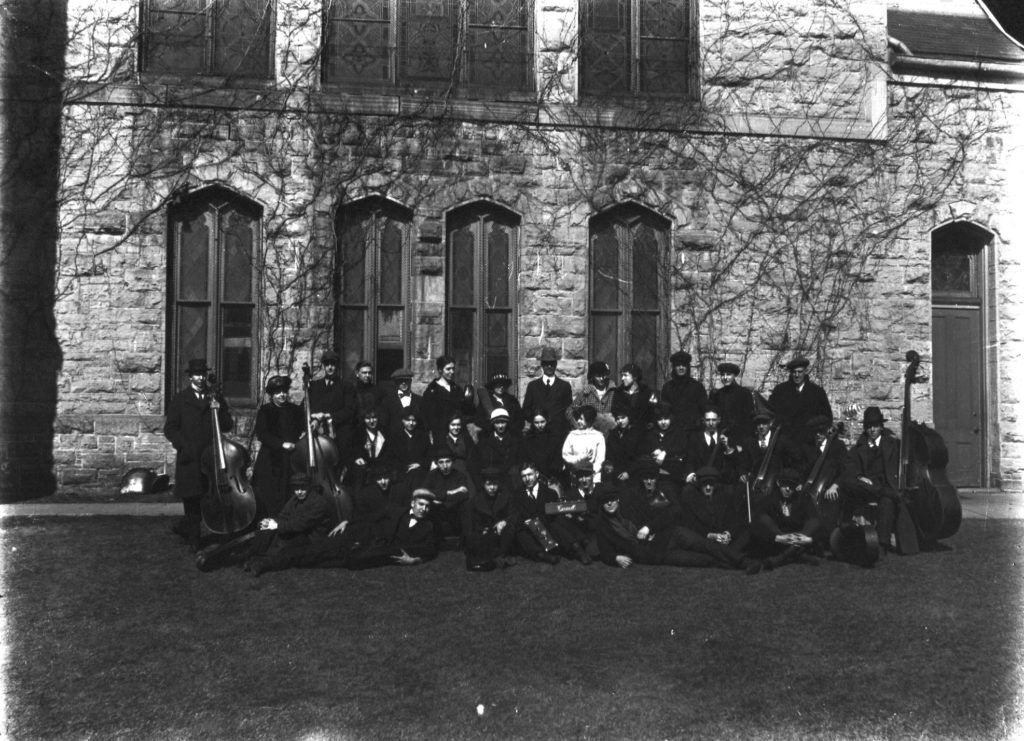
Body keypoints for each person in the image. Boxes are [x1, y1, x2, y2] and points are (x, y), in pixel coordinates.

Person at [593, 482, 759, 571]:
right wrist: (616, 558)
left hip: (670, 534)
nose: (610, 503)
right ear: (601, 505)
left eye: (612, 499)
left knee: (706, 545)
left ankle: (745, 562)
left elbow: (668, 513)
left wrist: (649, 527)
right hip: (657, 554)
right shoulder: (604, 526)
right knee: (700, 560)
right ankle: (734, 567)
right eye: (606, 501)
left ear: (618, 500)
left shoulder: (629, 509)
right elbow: (605, 550)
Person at [164, 358, 234, 550]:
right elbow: (170, 428)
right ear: (190, 377)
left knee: (207, 497)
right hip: (190, 457)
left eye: (203, 374)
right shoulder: (180, 399)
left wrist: (219, 411)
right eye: (197, 374)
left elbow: (228, 425)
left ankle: (186, 528)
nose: (201, 378)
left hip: (210, 457)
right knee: (191, 499)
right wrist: (183, 446)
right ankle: (194, 539)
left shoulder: (215, 398)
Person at [838, 407, 918, 556]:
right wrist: (859, 476)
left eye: (875, 426)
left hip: (887, 487)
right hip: (865, 489)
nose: (872, 429)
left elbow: (909, 462)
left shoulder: (894, 445)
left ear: (881, 426)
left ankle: (882, 545)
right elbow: (849, 469)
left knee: (887, 501)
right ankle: (885, 493)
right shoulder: (858, 448)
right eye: (869, 426)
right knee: (847, 482)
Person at [243, 474, 335, 576]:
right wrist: (269, 522)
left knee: (286, 545)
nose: (299, 492)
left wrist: (277, 525)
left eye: (302, 488)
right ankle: (253, 557)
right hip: (296, 532)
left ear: (309, 487)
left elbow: (301, 524)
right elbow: (283, 516)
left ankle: (262, 563)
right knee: (268, 533)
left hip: (311, 539)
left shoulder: (319, 503)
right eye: (296, 489)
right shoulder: (295, 499)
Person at [514, 461, 592, 565]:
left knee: (556, 521)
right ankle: (543, 556)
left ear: (536, 474)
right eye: (524, 476)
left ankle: (577, 548)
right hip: (531, 530)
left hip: (549, 531)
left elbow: (554, 514)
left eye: (529, 474)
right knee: (522, 532)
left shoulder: (550, 493)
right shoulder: (517, 495)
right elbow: (517, 514)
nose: (527, 479)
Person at [251, 374, 305, 518]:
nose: (282, 395)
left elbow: (303, 427)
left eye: (284, 391)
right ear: (272, 395)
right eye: (277, 392)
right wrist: (281, 444)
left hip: (291, 458)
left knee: (289, 489)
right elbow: (262, 434)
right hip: (271, 458)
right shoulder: (266, 410)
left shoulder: (294, 410)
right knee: (270, 492)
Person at [748, 468, 824, 568]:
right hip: (778, 540)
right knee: (762, 518)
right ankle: (796, 554)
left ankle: (783, 557)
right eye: (785, 485)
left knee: (815, 521)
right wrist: (780, 537)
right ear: (779, 484)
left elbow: (815, 521)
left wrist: (805, 538)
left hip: (799, 536)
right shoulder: (769, 499)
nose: (788, 489)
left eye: (791, 486)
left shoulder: (803, 499)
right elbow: (759, 522)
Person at [678, 466, 753, 567]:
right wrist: (712, 535)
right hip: (705, 539)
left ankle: (726, 559)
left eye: (711, 484)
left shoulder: (723, 494)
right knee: (704, 546)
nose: (708, 487)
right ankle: (736, 560)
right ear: (699, 485)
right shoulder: (691, 495)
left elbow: (733, 518)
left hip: (724, 539)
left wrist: (727, 534)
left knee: (746, 532)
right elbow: (689, 525)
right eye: (705, 484)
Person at [463, 466, 519, 570]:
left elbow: (514, 514)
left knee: (510, 528)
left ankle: (501, 555)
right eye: (489, 484)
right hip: (484, 535)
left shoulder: (506, 497)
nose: (492, 487)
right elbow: (469, 525)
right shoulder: (475, 500)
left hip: (501, 535)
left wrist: (504, 521)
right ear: (483, 484)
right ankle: (495, 558)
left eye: (495, 484)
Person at [768, 355, 833, 445]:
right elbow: (771, 413)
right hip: (786, 442)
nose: (797, 375)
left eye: (800, 372)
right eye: (794, 372)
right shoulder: (780, 391)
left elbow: (827, 416)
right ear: (791, 373)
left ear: (805, 371)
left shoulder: (817, 392)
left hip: (809, 442)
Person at [421, 447, 475, 545]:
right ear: (436, 463)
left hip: (454, 509)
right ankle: (433, 542)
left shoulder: (460, 475)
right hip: (437, 510)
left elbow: (464, 494)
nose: (445, 466)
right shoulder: (432, 475)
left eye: (448, 461)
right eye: (441, 462)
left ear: (453, 462)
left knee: (467, 504)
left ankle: (468, 541)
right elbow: (425, 491)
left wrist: (441, 499)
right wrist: (450, 492)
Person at [522, 346, 573, 445]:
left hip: (558, 436)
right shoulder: (533, 386)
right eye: (546, 363)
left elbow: (569, 411)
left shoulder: (564, 386)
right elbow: (526, 410)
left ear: (556, 364)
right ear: (542, 365)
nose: (549, 366)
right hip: (538, 435)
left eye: (552, 363)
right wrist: (537, 420)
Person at [685, 406, 748, 485]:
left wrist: (727, 446)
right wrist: (692, 475)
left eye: (714, 420)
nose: (711, 423)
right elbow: (690, 461)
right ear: (703, 421)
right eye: (708, 420)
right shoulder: (695, 438)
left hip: (721, 482)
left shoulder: (726, 438)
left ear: (719, 420)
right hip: (701, 481)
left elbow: (736, 463)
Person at [421, 355, 476, 444]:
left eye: (453, 369)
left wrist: (468, 401)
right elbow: (426, 417)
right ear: (440, 370)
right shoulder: (432, 391)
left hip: (457, 433)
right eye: (448, 369)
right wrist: (430, 435)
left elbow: (467, 412)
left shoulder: (457, 389)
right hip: (440, 435)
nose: (452, 372)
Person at [660, 350, 707, 433]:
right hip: (673, 431)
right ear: (674, 367)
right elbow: (665, 411)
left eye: (684, 365)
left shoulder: (697, 387)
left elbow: (703, 410)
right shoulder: (667, 387)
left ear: (687, 367)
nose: (681, 368)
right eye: (678, 365)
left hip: (693, 432)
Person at [709, 362, 756, 442]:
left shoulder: (744, 394)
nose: (725, 377)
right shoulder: (717, 394)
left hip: (739, 436)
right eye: (723, 375)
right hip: (721, 435)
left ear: (734, 376)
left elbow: (748, 418)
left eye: (728, 374)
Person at [307, 349, 348, 440]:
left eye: (333, 364)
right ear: (323, 366)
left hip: (338, 432)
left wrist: (327, 415)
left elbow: (348, 411)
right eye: (327, 364)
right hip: (317, 432)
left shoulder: (346, 386)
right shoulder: (315, 385)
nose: (330, 367)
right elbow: (308, 406)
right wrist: (314, 416)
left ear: (337, 366)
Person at [643, 402, 689, 482]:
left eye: (666, 419)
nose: (663, 422)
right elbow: (644, 452)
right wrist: (652, 453)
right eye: (660, 419)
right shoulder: (650, 434)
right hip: (653, 475)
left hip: (673, 476)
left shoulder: (678, 433)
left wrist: (665, 452)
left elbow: (682, 449)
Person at [518, 410, 564, 488]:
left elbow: (559, 456)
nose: (540, 425)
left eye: (542, 422)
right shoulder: (527, 439)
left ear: (547, 420)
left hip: (553, 477)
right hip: (534, 478)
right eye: (536, 423)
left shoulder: (555, 437)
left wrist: (553, 472)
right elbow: (525, 458)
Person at [562, 405, 606, 485]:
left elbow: (600, 459)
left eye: (581, 419)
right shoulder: (572, 435)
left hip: (593, 478)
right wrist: (580, 458)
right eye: (578, 418)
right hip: (576, 477)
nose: (578, 421)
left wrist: (591, 473)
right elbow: (566, 455)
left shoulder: (598, 436)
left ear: (589, 420)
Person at [476, 408, 519, 487]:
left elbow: (516, 462)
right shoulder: (485, 442)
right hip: (491, 480)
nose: (500, 426)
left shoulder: (514, 441)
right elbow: (481, 463)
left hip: (509, 479)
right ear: (492, 424)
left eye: (503, 422)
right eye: (497, 423)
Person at [570, 361, 616, 433]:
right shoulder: (586, 393)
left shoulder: (614, 391)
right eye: (598, 376)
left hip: (611, 435)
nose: (601, 379)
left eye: (604, 375)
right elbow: (569, 411)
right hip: (590, 435)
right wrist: (578, 427)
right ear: (593, 376)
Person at [611, 363, 657, 430]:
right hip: (624, 430)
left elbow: (652, 412)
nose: (622, 378)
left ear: (635, 377)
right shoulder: (618, 392)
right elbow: (615, 411)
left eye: (625, 375)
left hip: (643, 431)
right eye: (622, 375)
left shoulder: (647, 392)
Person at [379, 367, 422, 439]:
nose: (404, 383)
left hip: (414, 442)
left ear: (410, 381)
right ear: (396, 383)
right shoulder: (388, 401)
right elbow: (384, 424)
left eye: (406, 380)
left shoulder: (419, 400)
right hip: (394, 442)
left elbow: (422, 424)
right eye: (401, 381)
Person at [604, 409, 643, 483]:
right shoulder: (613, 434)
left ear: (629, 417)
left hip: (632, 474)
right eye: (618, 419)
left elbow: (639, 457)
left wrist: (628, 472)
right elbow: (609, 454)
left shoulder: (636, 434)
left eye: (623, 418)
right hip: (615, 473)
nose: (620, 421)